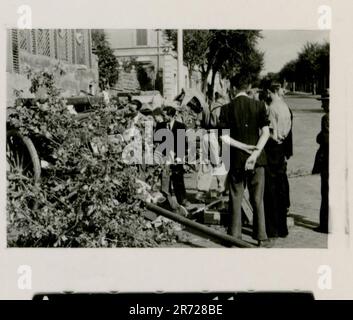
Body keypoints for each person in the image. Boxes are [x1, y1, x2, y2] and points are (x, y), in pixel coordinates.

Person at [218, 75, 271, 247]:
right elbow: (266, 133)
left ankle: (235, 236)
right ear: (248, 86)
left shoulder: (226, 108)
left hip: (237, 159)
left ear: (232, 88)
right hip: (258, 159)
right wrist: (254, 154)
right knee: (258, 199)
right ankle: (261, 237)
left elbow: (224, 138)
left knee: (235, 197)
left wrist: (243, 147)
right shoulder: (259, 105)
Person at [262, 83, 293, 239]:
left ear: (270, 91)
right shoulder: (285, 107)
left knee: (270, 191)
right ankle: (283, 228)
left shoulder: (272, 108)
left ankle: (272, 229)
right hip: (281, 149)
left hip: (272, 149)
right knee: (281, 189)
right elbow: (288, 127)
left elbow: (270, 132)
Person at [312, 89, 329, 233]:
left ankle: (325, 224)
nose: (322, 105)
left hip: (328, 160)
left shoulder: (327, 118)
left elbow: (325, 139)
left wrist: (318, 137)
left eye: (324, 101)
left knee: (326, 191)